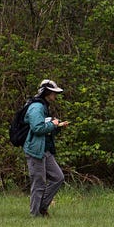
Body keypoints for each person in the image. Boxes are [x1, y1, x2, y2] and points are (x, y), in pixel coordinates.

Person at [23, 79, 69, 217]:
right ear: (47, 93)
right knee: (39, 182)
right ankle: (35, 214)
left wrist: (57, 126)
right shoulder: (36, 107)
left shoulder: (44, 106)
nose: (56, 96)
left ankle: (42, 207)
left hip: (44, 149)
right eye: (54, 93)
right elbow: (37, 128)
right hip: (35, 150)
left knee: (58, 177)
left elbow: (45, 128)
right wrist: (53, 125)